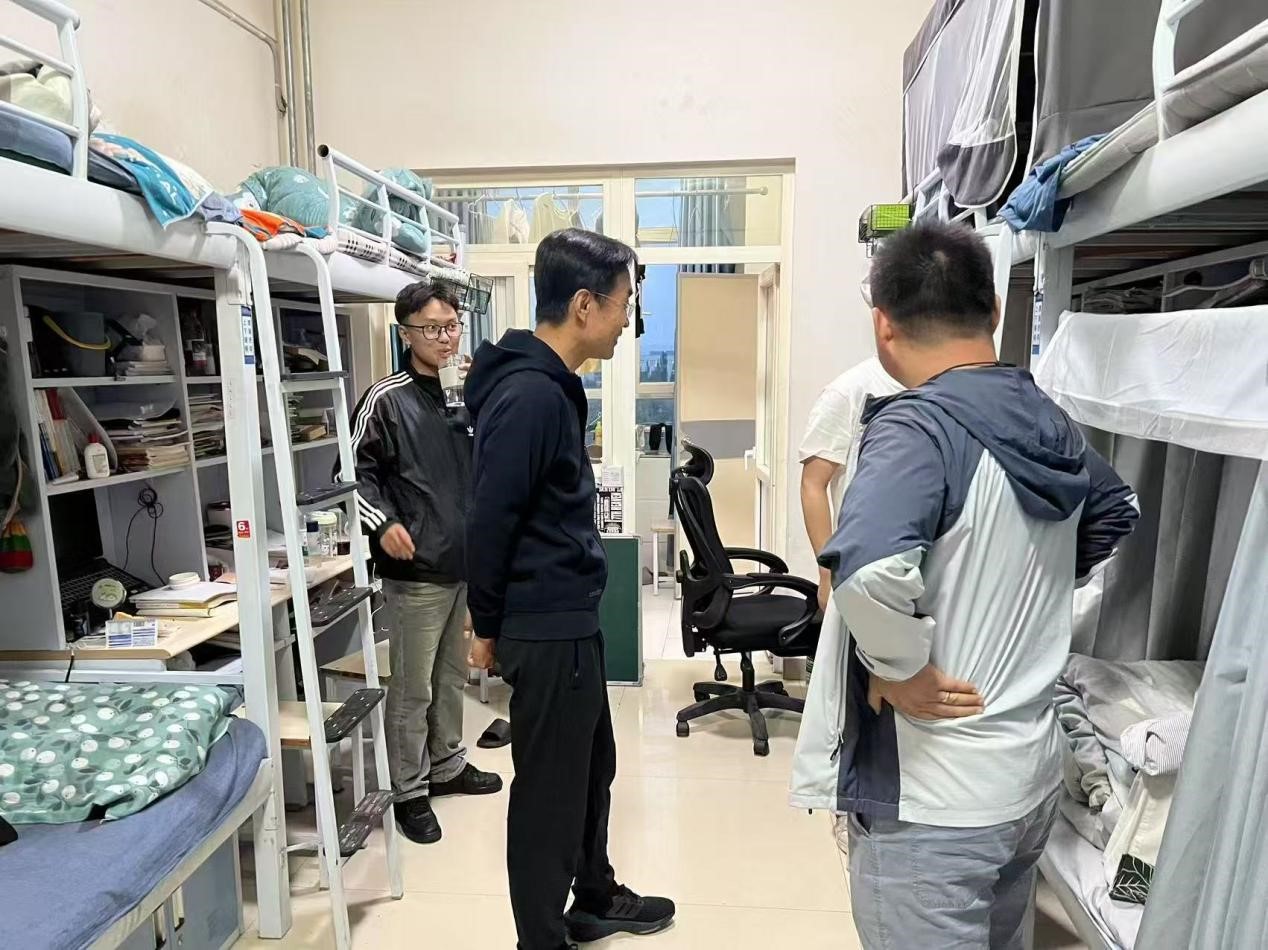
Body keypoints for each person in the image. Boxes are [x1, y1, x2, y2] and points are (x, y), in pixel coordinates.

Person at [806, 221, 1139, 949]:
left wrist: (901, 668)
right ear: (993, 309)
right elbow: (1118, 509)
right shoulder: (1047, 420)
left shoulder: (918, 429)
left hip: (936, 797)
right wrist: (1031, 576)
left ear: (882, 325)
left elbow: (867, 574)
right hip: (1026, 781)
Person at [464, 229, 675, 950]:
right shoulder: (530, 396)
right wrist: (485, 624)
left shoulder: (551, 386)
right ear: (585, 305)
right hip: (545, 622)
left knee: (589, 771)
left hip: (569, 618)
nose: (627, 323)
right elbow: (490, 517)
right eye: (623, 306)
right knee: (549, 795)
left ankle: (593, 896)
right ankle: (542, 938)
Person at [346, 281, 502, 846]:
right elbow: (352, 473)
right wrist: (382, 523)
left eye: (452, 326)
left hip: (464, 563)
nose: (445, 338)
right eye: (432, 328)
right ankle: (409, 790)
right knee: (413, 688)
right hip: (415, 569)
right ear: (405, 333)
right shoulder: (385, 399)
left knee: (451, 676)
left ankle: (448, 764)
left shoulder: (466, 395)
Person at [799, 356, 902, 609]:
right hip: (862, 565)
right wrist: (826, 573)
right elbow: (812, 485)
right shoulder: (848, 391)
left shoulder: (943, 386)